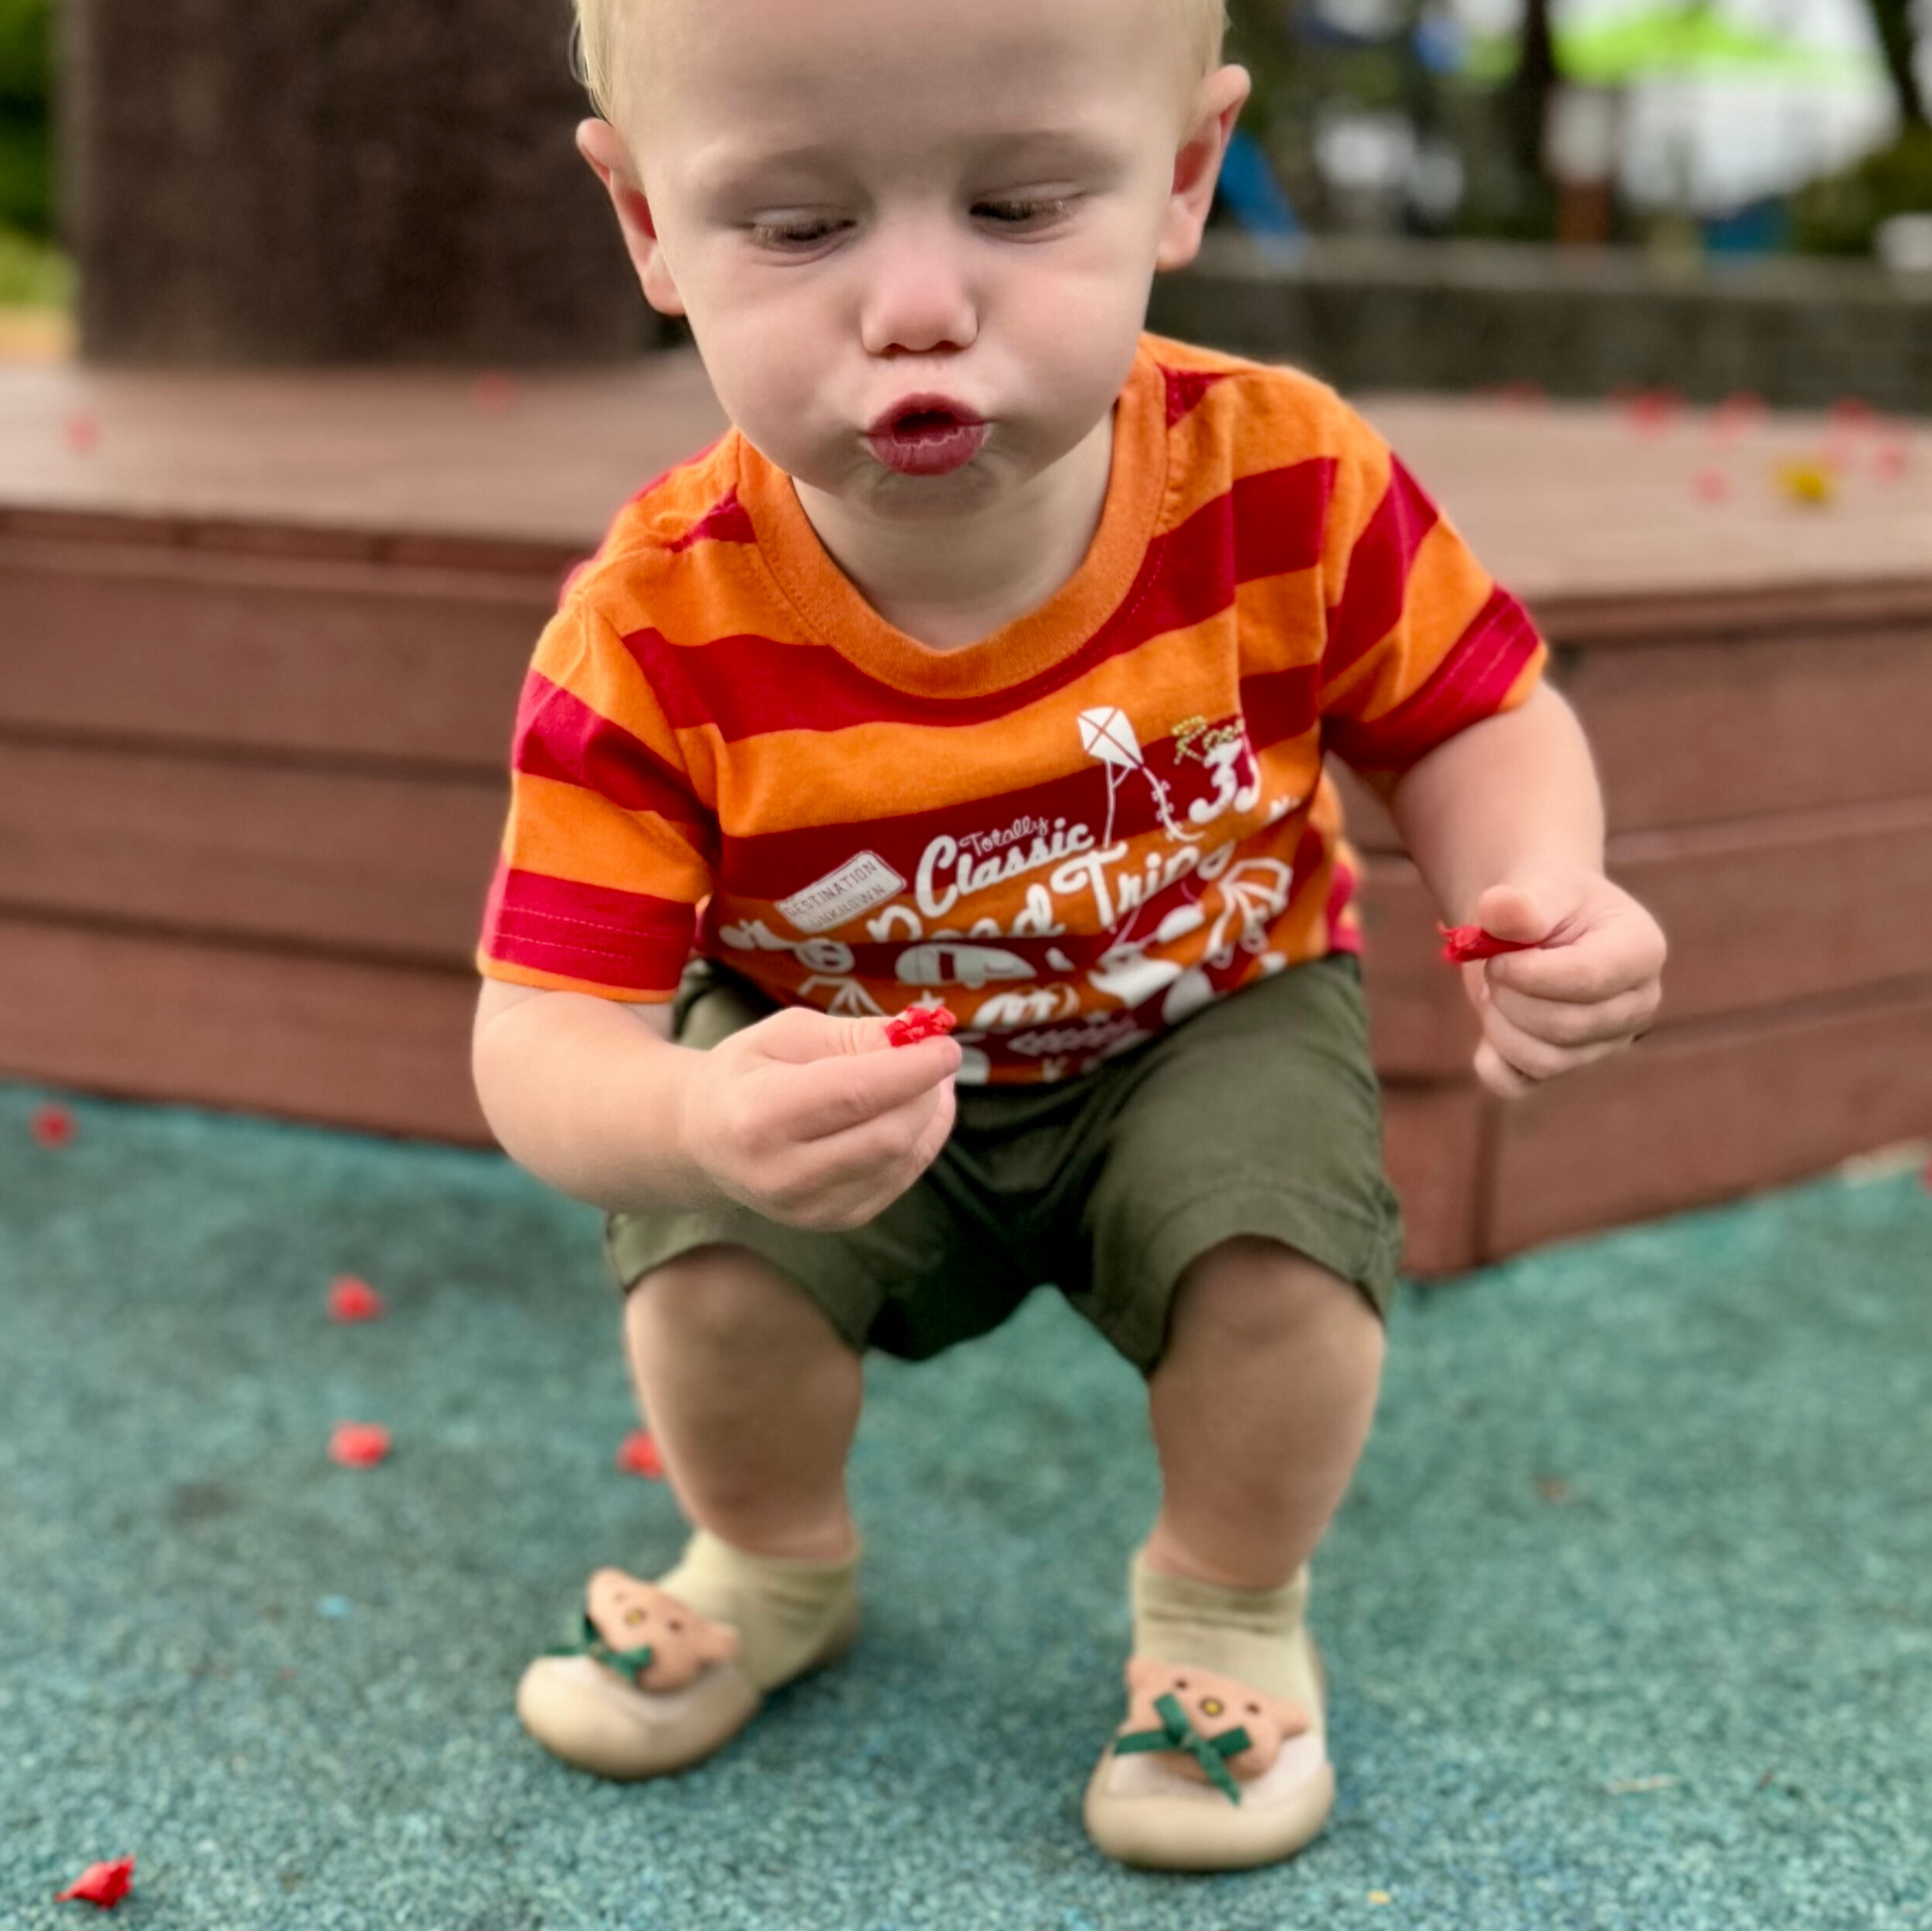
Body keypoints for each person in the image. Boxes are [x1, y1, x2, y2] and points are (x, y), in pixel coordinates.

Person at [470, 0, 1667, 1873]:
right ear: (644, 225)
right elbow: (543, 1035)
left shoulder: (1278, 478)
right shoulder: (645, 635)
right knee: (707, 1273)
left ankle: (1219, 1614)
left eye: (1023, 205)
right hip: (829, 1060)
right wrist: (696, 1124)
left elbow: (1469, 715)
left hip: (1209, 1013)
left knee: (1280, 1270)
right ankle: (772, 1562)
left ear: (1183, 173)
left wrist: (1544, 888)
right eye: (795, 227)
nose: (918, 307)